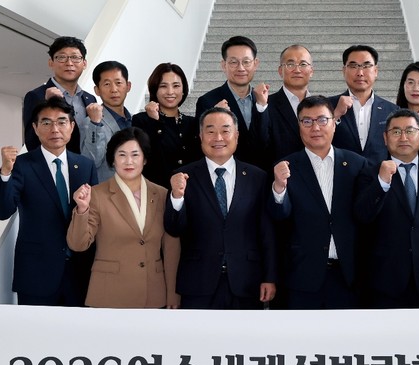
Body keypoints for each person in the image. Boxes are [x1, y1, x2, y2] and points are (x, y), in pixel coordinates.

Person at [164, 107, 277, 309]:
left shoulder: (257, 177)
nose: (218, 138)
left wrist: (269, 276)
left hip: (247, 281)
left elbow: (266, 232)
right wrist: (177, 197)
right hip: (198, 282)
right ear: (200, 136)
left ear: (237, 135)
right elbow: (174, 229)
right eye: (210, 131)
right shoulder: (183, 176)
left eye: (225, 130)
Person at [0, 97, 98, 306]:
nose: (55, 129)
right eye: (46, 122)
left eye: (61, 122)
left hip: (80, 273)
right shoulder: (21, 165)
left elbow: (94, 217)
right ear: (35, 128)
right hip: (36, 274)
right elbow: (2, 211)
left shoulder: (85, 165)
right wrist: (5, 172)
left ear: (72, 126)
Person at [270, 96, 370, 309]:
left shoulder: (357, 164)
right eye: (307, 121)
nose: (315, 127)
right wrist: (279, 187)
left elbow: (366, 215)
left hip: (349, 277)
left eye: (322, 120)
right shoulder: (285, 167)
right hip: (302, 277)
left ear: (334, 123)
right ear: (299, 126)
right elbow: (279, 217)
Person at [67, 127, 180, 308]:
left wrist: (173, 293)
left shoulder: (162, 194)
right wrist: (82, 209)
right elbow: (78, 244)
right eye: (122, 155)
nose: (129, 161)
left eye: (135, 155)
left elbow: (171, 248)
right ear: (112, 159)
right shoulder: (96, 195)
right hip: (110, 294)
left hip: (154, 294)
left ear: (145, 159)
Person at [354, 109, 419, 308]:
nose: (403, 137)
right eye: (396, 132)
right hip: (383, 282)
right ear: (385, 138)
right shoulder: (369, 174)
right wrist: (381, 182)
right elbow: (362, 216)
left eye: (410, 131)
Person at [195, 36, 269, 169]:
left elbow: (266, 142)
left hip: (261, 174)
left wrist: (261, 106)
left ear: (255, 64)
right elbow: (201, 145)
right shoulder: (208, 101)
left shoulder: (264, 99)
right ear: (224, 65)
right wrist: (216, 115)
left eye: (246, 62)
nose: (241, 68)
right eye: (234, 62)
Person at [132, 63, 201, 189]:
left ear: (183, 90)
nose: (170, 92)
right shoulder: (142, 120)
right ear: (155, 90)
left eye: (176, 86)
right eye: (163, 86)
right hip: (156, 192)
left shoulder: (192, 123)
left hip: (190, 191)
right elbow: (145, 156)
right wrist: (155, 122)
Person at [22, 36, 96, 154]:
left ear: (84, 63)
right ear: (51, 63)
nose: (69, 63)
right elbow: (31, 142)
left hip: (86, 164)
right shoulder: (36, 96)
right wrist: (48, 105)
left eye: (75, 57)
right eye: (62, 57)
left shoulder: (90, 99)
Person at [328, 45, 399, 166]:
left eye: (366, 66)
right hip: (340, 174)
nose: (360, 73)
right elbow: (317, 139)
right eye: (353, 66)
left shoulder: (392, 110)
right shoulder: (327, 106)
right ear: (344, 71)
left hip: (379, 176)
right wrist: (336, 115)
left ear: (375, 71)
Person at [80, 61, 133, 183]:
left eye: (118, 83)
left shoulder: (136, 120)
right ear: (97, 90)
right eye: (107, 84)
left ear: (128, 86)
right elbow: (91, 162)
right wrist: (95, 124)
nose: (114, 89)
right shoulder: (90, 123)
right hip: (108, 191)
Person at [267, 44, 314, 164]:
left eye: (303, 64)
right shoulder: (265, 106)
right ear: (280, 71)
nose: (297, 70)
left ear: (311, 71)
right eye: (290, 64)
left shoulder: (322, 106)